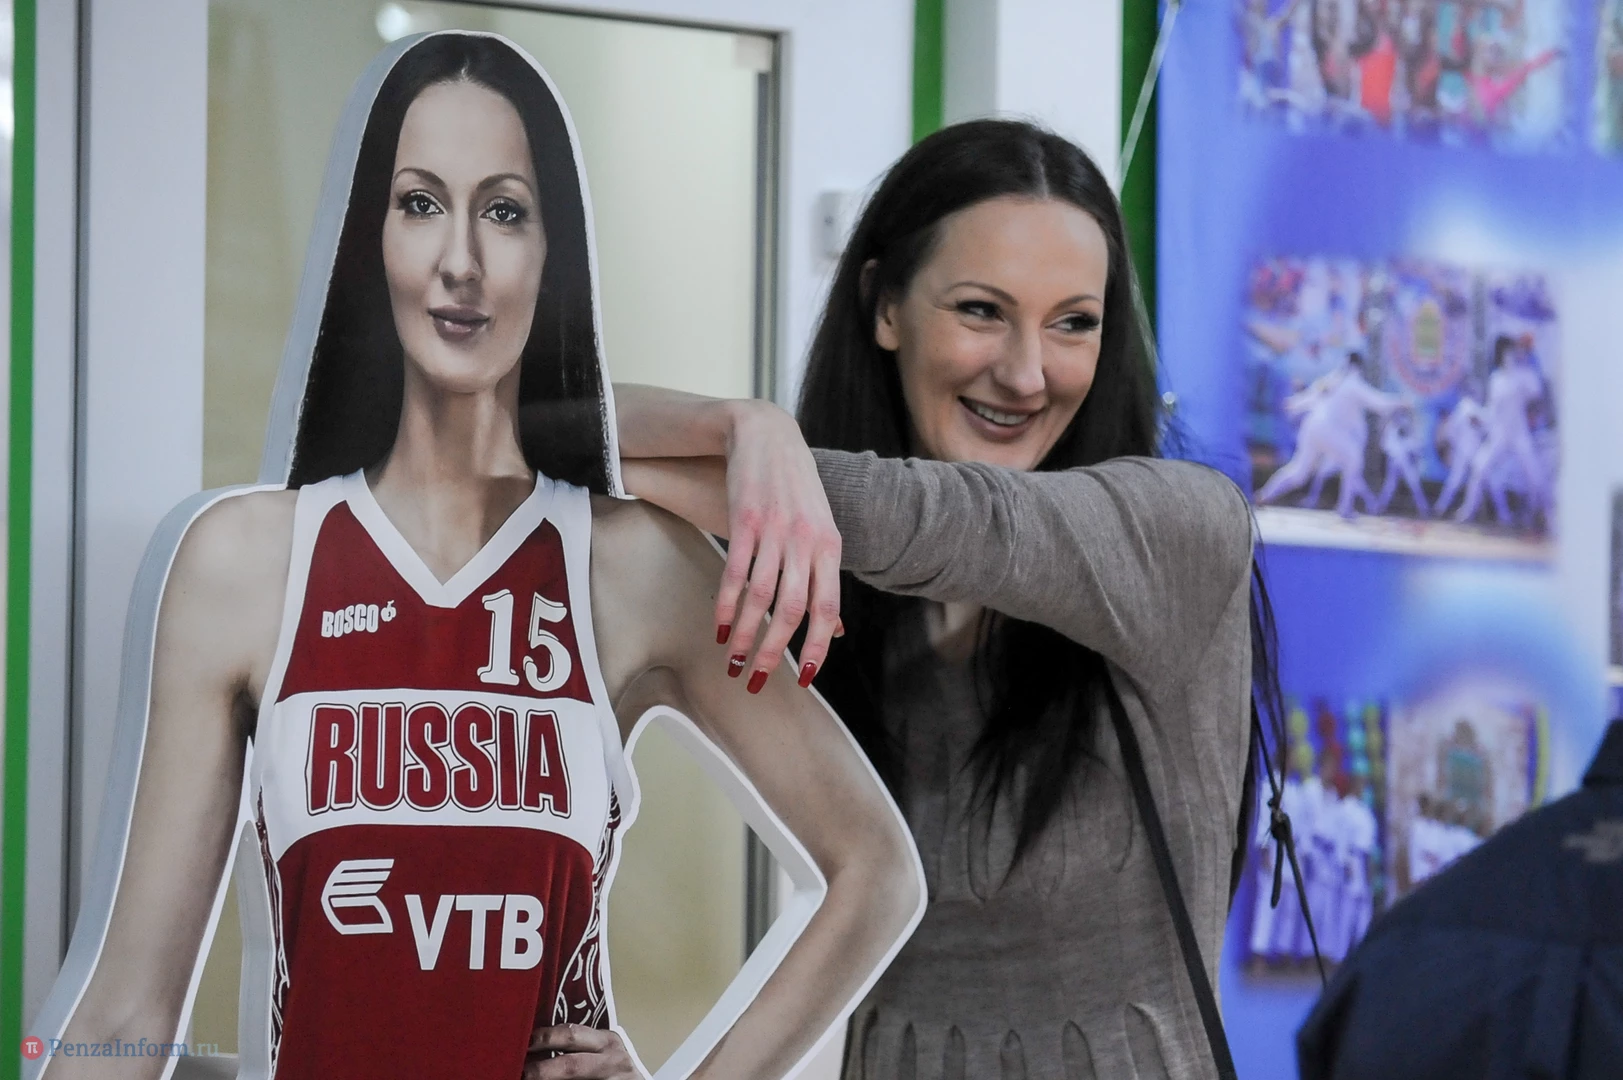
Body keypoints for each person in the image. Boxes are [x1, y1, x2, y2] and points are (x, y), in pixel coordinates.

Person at [30, 33, 922, 1080]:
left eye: (504, 212)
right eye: (419, 204)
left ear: (552, 252)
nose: (460, 258)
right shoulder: (247, 566)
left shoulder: (629, 565)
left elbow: (873, 870)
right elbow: (128, 1007)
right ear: (372, 239)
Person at [611, 119, 1286, 1080]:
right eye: (981, 310)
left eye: (1073, 322)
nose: (1026, 373)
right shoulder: (816, 588)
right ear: (884, 306)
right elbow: (515, 419)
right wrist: (741, 424)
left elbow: (946, 521)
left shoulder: (1179, 531)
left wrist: (758, 458)